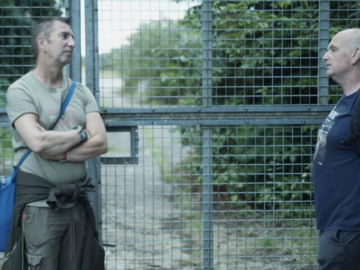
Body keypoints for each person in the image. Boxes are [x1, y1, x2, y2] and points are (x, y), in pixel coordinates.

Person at [4, 17, 108, 270]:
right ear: (43, 43)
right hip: (40, 205)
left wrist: (59, 154)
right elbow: (38, 142)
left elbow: (102, 143)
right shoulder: (21, 90)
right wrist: (81, 134)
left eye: (72, 37)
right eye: (64, 36)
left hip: (76, 203)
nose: (72, 43)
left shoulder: (81, 92)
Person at [312, 28, 360, 269]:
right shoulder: (347, 100)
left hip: (349, 230)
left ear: (355, 55)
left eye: (333, 49)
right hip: (334, 225)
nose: (324, 56)